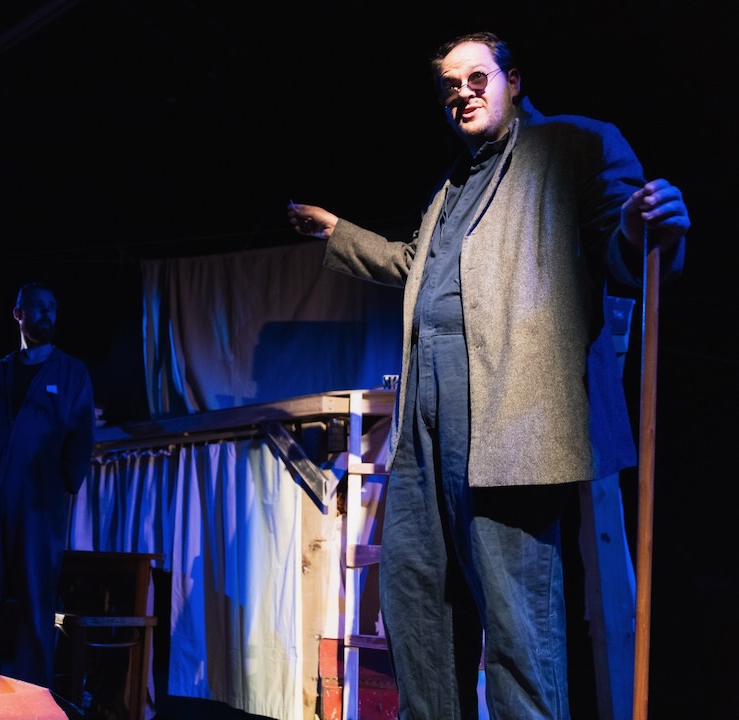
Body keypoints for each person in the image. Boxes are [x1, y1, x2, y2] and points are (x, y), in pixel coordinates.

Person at [287, 31, 689, 719]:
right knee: (419, 609)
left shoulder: (573, 145)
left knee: (516, 625)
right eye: (450, 86)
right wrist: (337, 233)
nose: (463, 93)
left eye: (477, 78)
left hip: (509, 415)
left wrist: (641, 229)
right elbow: (413, 264)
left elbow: (622, 253)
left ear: (514, 81)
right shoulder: (451, 187)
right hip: (423, 418)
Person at [0, 282, 96, 686]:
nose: (47, 313)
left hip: (37, 499)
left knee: (36, 594)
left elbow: (81, 434)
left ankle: (32, 694)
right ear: (19, 314)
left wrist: (64, 483)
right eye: (38, 306)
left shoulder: (71, 373)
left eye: (52, 307)